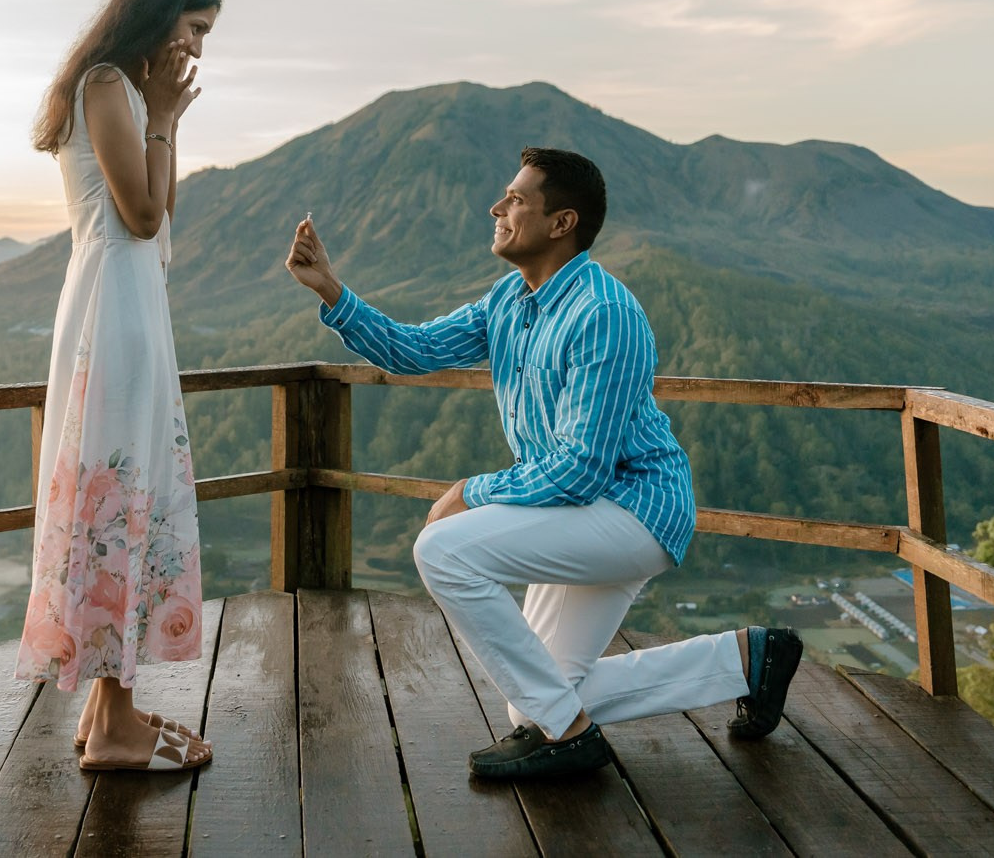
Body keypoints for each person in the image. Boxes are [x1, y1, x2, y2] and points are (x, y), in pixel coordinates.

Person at [284, 147, 802, 780]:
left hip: (632, 512)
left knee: (443, 550)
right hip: (578, 510)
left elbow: (581, 468)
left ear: (561, 223)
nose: (497, 209)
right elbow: (413, 351)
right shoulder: (510, 300)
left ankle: (571, 738)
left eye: (516, 200)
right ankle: (747, 660)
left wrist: (469, 492)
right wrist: (329, 288)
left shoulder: (604, 313)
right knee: (534, 696)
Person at [17, 0, 219, 773]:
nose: (197, 49)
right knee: (115, 502)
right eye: (194, 29)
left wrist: (164, 115)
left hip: (133, 304)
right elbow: (139, 216)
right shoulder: (106, 83)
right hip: (114, 309)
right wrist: (164, 112)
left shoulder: (127, 91)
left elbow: (160, 207)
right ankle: (113, 726)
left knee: (126, 500)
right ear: (161, 13)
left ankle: (111, 705)